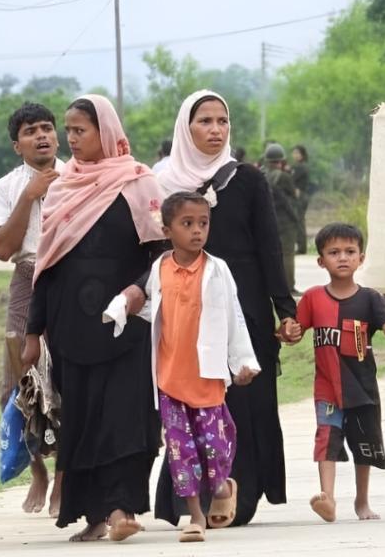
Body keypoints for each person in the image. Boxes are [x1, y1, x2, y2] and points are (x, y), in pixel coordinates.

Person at [152, 89, 299, 526]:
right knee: (189, 405)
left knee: (244, 404)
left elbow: (270, 248)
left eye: (222, 121)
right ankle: (189, 499)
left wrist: (284, 309)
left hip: (245, 309)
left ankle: (242, 492)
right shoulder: (163, 184)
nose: (215, 130)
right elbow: (151, 253)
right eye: (205, 121)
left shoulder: (248, 179)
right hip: (183, 316)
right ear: (186, 127)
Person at [22, 94, 165, 543]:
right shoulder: (62, 187)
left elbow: (160, 254)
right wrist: (32, 331)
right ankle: (93, 514)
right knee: (81, 419)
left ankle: (122, 508)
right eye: (69, 130)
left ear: (105, 131)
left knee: (124, 415)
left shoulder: (139, 183)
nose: (71, 138)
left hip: (125, 324)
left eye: (80, 130)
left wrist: (140, 289)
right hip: (71, 328)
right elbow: (46, 265)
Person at [126, 191, 261, 543]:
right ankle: (195, 516)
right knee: (180, 450)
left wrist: (243, 362)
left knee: (215, 445)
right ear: (167, 230)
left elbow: (233, 317)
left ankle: (221, 485)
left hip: (208, 377)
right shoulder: (158, 269)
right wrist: (121, 307)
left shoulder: (218, 270)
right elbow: (151, 310)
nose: (197, 231)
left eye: (203, 223)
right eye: (187, 224)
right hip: (170, 378)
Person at [295, 222, 385, 522]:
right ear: (321, 261)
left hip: (362, 386)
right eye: (334, 252)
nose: (342, 257)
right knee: (326, 437)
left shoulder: (370, 298)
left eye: (350, 252)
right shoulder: (313, 298)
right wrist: (287, 330)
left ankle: (362, 501)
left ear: (361, 258)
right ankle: (328, 498)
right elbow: (296, 330)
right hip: (326, 387)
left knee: (363, 444)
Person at [0, 102, 64, 517]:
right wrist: (30, 197)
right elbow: (2, 250)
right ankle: (38, 471)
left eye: (47, 128)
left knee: (70, 380)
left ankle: (65, 477)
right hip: (26, 278)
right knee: (20, 381)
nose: (42, 136)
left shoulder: (79, 177)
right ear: (17, 144)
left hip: (70, 280)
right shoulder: (6, 187)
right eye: (31, 131)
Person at [262, 142, 301, 295]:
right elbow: (293, 195)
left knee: (272, 254)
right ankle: (289, 287)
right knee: (288, 255)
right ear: (281, 160)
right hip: (286, 221)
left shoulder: (262, 173)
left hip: (269, 219)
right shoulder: (284, 176)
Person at [291, 144, 311, 254]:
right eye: (294, 153)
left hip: (300, 196)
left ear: (302, 155)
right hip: (302, 196)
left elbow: (291, 179)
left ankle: (302, 248)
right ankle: (301, 246)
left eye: (297, 153)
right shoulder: (299, 166)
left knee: (299, 221)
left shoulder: (301, 167)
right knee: (300, 220)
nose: (294, 155)